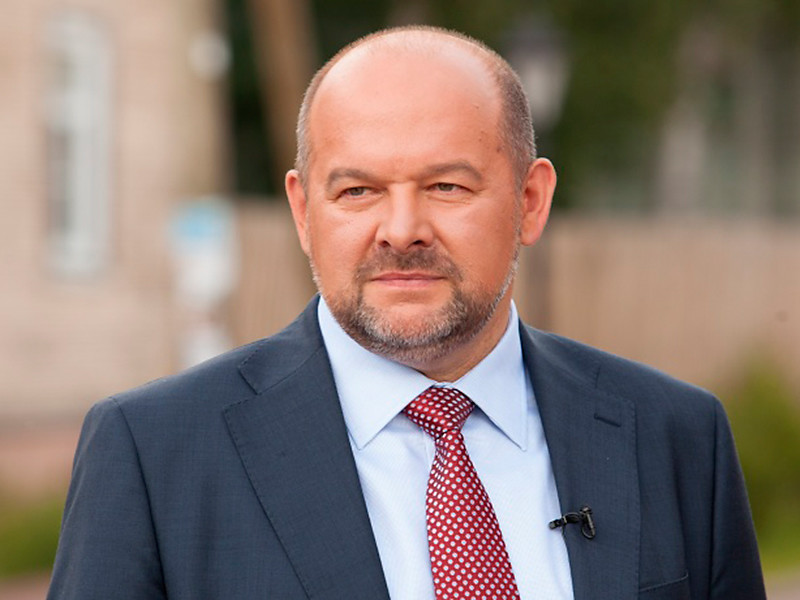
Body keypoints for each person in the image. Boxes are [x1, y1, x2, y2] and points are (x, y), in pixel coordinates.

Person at [48, 26, 765, 600]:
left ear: (530, 201)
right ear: (303, 211)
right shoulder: (154, 454)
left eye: (446, 186)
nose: (400, 230)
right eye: (357, 191)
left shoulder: (676, 438)